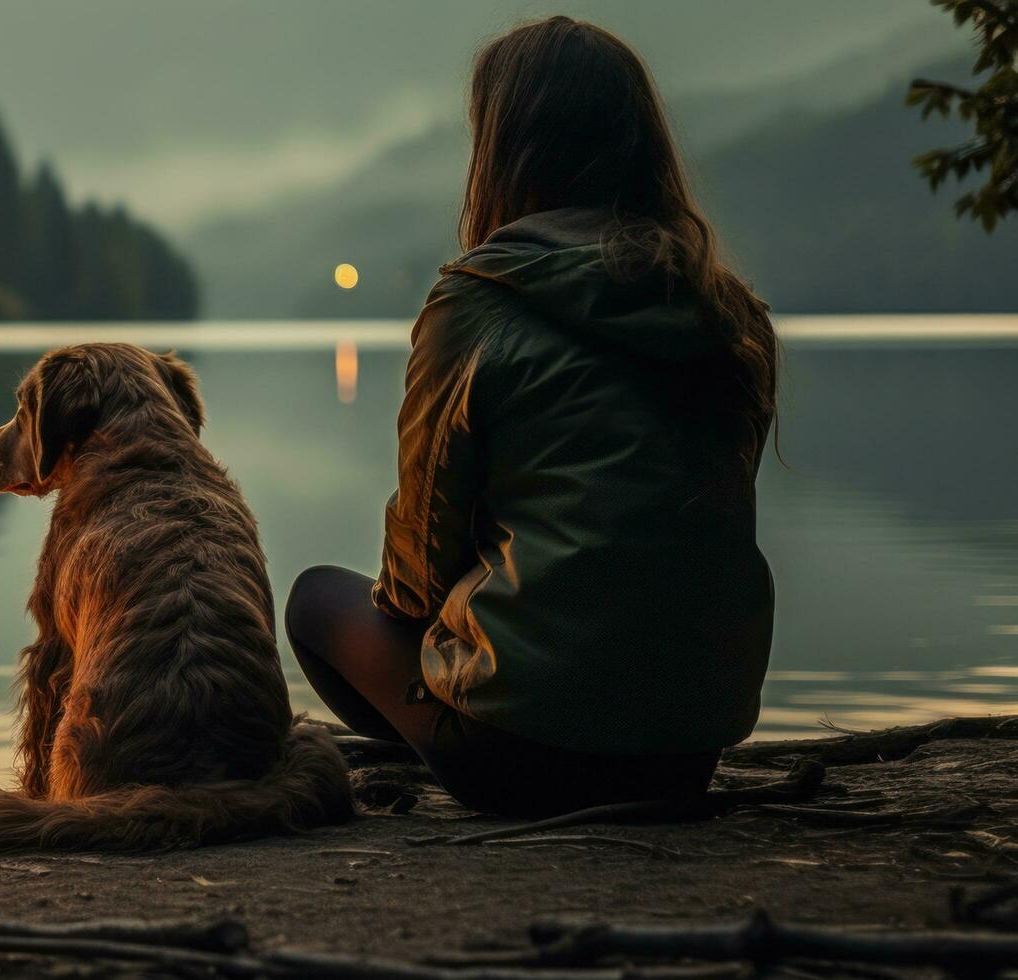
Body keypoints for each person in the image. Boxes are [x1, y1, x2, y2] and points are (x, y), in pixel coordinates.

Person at [285, 16, 779, 819]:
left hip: (526, 761)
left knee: (315, 602)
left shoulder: (479, 302)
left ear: (502, 150)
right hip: (691, 751)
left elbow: (416, 574)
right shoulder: (726, 313)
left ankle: (461, 741)